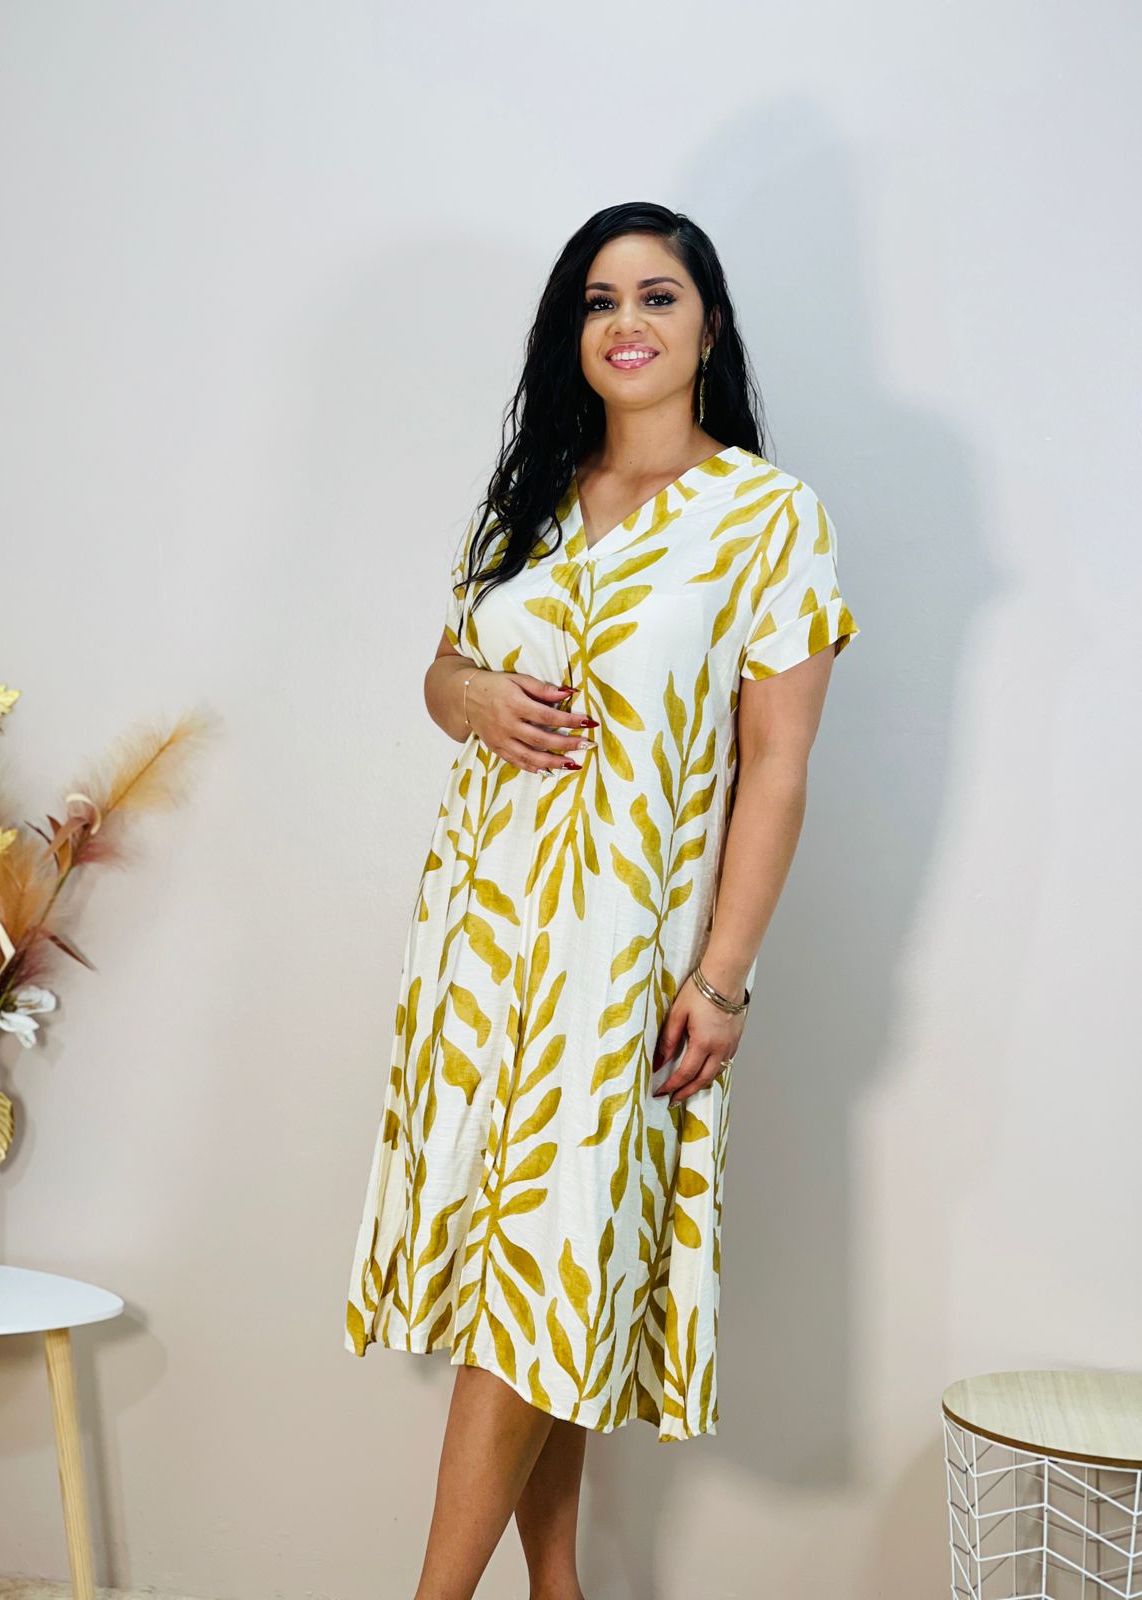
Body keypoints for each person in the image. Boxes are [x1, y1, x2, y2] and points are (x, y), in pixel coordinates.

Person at [344, 199, 861, 1600]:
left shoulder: (767, 517)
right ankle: (557, 1588)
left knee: (547, 1261)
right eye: (598, 301)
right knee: (526, 1280)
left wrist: (722, 977)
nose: (626, 323)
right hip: (478, 939)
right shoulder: (528, 498)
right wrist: (471, 697)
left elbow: (777, 766)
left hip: (620, 957)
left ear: (709, 328)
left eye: (657, 296)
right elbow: (444, 673)